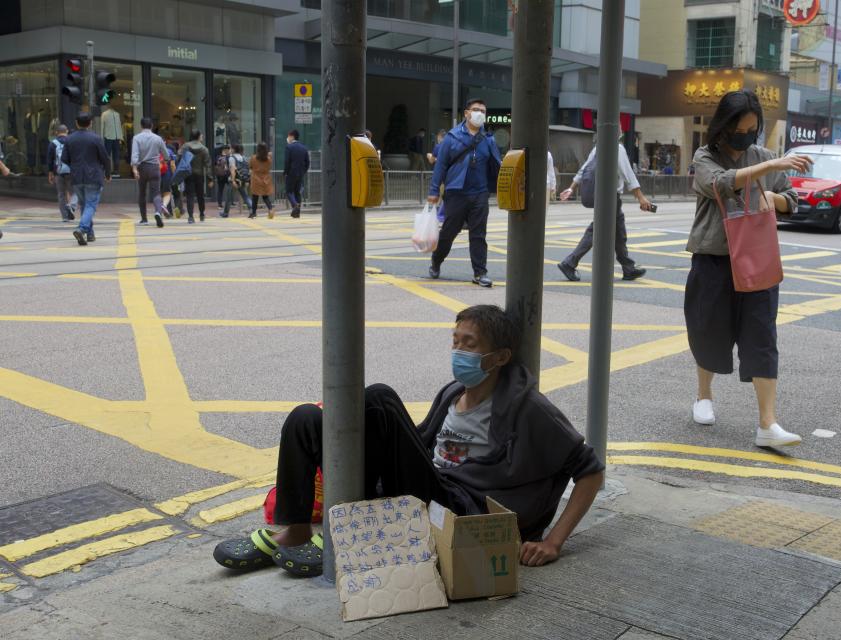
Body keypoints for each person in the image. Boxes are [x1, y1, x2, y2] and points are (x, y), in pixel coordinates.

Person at [213, 305, 604, 576]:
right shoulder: (453, 392)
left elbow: (590, 471)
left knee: (380, 396)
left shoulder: (528, 407)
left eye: (470, 344)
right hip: (429, 488)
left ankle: (344, 528)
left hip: (460, 510)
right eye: (455, 340)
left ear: (499, 357)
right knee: (304, 418)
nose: (458, 350)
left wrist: (553, 542)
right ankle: (295, 529)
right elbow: (417, 444)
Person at [687, 90, 811, 448]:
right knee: (708, 330)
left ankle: (767, 424)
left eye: (752, 129)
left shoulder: (764, 155)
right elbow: (720, 184)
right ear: (724, 127)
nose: (746, 136)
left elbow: (792, 201)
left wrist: (772, 196)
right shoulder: (706, 156)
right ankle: (704, 396)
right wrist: (769, 170)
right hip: (714, 258)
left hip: (758, 259)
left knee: (762, 336)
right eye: (740, 129)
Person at [557, 135, 654, 282]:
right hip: (610, 197)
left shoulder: (598, 148)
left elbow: (584, 169)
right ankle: (569, 262)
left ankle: (628, 268)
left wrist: (571, 188)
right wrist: (640, 197)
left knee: (619, 232)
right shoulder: (618, 148)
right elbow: (627, 173)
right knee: (597, 230)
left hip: (602, 195)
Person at [427, 98, 502, 288]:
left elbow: (497, 166)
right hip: (456, 192)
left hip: (480, 194)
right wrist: (434, 191)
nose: (479, 114)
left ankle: (480, 273)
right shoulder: (452, 138)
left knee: (478, 235)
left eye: (483, 111)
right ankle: (436, 260)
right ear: (466, 113)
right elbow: (440, 166)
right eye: (476, 110)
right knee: (449, 232)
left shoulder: (488, 139)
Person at [60, 112, 111, 246]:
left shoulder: (69, 139)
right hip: (94, 176)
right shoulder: (95, 138)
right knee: (90, 205)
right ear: (90, 123)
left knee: (84, 205)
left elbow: (64, 158)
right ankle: (82, 228)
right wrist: (108, 173)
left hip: (76, 177)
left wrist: (75, 165)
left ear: (76, 123)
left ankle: (90, 233)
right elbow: (105, 158)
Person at [130, 117, 170, 227]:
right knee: (156, 192)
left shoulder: (136, 138)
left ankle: (144, 219)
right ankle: (158, 212)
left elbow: (135, 154)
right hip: (154, 167)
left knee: (142, 193)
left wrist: (134, 168)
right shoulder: (157, 138)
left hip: (142, 167)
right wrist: (166, 160)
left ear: (141, 126)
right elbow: (166, 154)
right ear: (151, 126)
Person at [178, 130, 212, 224]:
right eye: (201, 135)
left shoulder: (185, 146)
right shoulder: (204, 149)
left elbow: (179, 156)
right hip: (199, 174)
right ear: (198, 136)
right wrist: (210, 178)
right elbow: (208, 165)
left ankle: (190, 217)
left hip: (188, 174)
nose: (202, 136)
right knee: (200, 195)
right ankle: (201, 214)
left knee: (190, 195)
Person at [46, 124, 76, 222]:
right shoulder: (71, 141)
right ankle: (72, 206)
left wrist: (50, 173)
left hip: (58, 172)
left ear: (56, 133)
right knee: (76, 191)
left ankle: (65, 217)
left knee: (61, 194)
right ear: (67, 131)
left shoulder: (52, 143)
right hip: (71, 171)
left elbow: (50, 160)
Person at [221, 143, 253, 218]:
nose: (230, 149)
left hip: (234, 180)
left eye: (231, 148)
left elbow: (232, 170)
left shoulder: (232, 158)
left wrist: (233, 181)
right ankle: (252, 210)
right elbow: (248, 169)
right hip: (242, 179)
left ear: (234, 149)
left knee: (228, 197)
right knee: (245, 196)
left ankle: (225, 213)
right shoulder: (243, 157)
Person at [284, 129, 310, 218]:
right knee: (297, 192)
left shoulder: (289, 147)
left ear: (292, 136)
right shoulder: (304, 147)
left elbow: (287, 162)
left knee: (289, 191)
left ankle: (295, 205)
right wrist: (303, 171)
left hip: (291, 173)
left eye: (288, 136)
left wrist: (286, 172)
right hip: (300, 173)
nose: (288, 138)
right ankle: (297, 213)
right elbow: (307, 162)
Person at [249, 141, 275, 219]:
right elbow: (269, 166)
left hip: (256, 179)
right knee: (265, 196)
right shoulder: (268, 159)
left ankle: (253, 213)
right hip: (266, 179)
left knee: (255, 197)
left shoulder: (253, 158)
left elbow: (250, 167)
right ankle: (270, 209)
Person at [160, 139, 181, 220]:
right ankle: (177, 207)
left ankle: (168, 212)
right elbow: (173, 165)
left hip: (160, 176)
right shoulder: (171, 152)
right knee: (175, 194)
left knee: (165, 193)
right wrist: (175, 175)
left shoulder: (157, 152)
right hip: (170, 176)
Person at [100, 105, 123, 177]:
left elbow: (102, 126)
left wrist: (101, 136)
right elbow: (119, 126)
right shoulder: (117, 114)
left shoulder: (104, 114)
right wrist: (120, 137)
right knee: (116, 154)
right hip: (116, 137)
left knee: (107, 155)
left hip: (108, 136)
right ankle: (116, 171)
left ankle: (107, 170)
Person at [214, 145, 232, 214]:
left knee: (220, 190)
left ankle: (219, 204)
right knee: (229, 189)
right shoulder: (228, 157)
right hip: (227, 175)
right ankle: (230, 203)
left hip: (220, 176)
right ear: (226, 150)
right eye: (229, 149)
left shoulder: (218, 157)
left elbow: (215, 164)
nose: (229, 151)